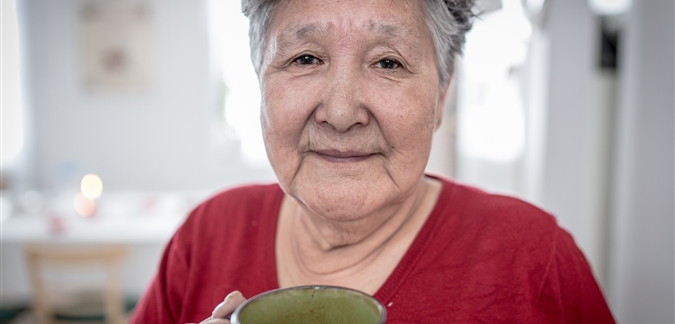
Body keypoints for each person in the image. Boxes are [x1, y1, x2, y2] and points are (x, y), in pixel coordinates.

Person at [130, 0, 615, 323]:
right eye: (304, 58)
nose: (340, 113)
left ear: (442, 95)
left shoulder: (533, 261)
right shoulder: (205, 237)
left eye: (388, 62)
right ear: (261, 81)